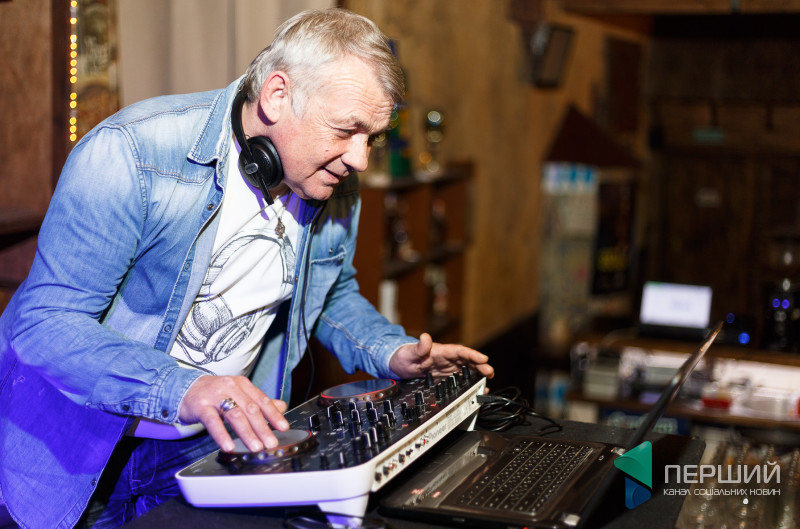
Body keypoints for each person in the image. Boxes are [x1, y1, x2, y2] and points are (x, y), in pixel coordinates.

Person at [0, 7, 493, 529]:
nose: (360, 160)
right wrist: (184, 388)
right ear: (277, 95)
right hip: (81, 452)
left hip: (211, 448)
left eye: (370, 137)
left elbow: (329, 294)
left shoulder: (332, 181)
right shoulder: (132, 154)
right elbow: (45, 322)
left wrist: (392, 351)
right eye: (346, 129)